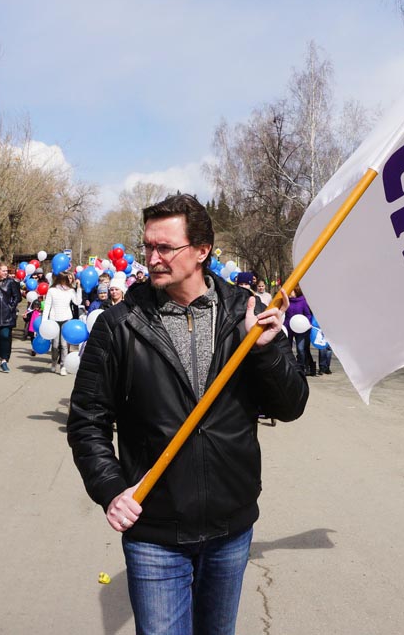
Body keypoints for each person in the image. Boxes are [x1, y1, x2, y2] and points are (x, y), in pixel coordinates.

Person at [68, 193, 308, 635]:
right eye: (148, 247)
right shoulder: (120, 325)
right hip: (154, 533)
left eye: (166, 248)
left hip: (230, 526)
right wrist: (111, 488)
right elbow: (87, 422)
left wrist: (268, 352)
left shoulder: (247, 314)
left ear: (202, 251)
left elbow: (290, 406)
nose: (153, 258)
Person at [0, 262, 23, 373]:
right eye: (3, 271)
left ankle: (4, 361)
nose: (6, 273)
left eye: (7, 271)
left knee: (5, 336)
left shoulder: (11, 282)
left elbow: (18, 297)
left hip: (7, 316)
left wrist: (10, 307)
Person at [43, 272, 81, 375]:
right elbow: (47, 306)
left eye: (70, 278)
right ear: (61, 279)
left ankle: (63, 366)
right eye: (67, 278)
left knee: (64, 345)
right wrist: (44, 322)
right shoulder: (52, 290)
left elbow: (77, 302)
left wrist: (79, 288)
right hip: (54, 319)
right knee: (55, 344)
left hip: (67, 319)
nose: (70, 280)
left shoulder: (71, 291)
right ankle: (54, 362)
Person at [287, 286, 316, 377]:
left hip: (300, 328)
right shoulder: (286, 301)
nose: (289, 293)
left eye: (291, 291)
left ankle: (301, 367)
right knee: (287, 348)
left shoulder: (303, 301)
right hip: (288, 327)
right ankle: (289, 366)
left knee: (300, 349)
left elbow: (307, 314)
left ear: (296, 292)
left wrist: (307, 323)